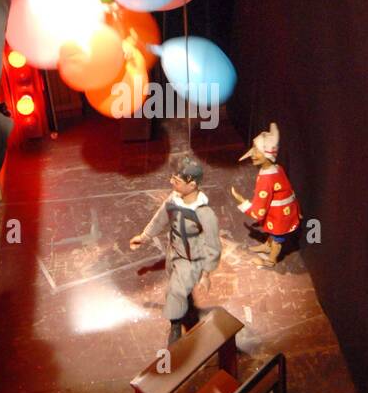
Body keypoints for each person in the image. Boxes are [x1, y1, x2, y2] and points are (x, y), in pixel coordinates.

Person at [129, 154, 221, 345]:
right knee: (174, 280)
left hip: (191, 259)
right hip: (173, 252)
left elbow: (213, 246)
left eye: (177, 180)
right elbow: (160, 218)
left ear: (192, 184)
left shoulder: (204, 213)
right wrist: (144, 236)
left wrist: (206, 273)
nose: (171, 182)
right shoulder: (173, 199)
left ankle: (176, 324)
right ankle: (181, 303)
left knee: (175, 291)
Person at [231, 122, 301, 267]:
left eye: (257, 150)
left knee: (277, 238)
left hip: (280, 215)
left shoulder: (267, 179)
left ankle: (271, 260)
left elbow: (259, 209)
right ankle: (267, 245)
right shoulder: (276, 168)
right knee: (274, 234)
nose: (253, 154)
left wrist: (243, 201)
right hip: (283, 211)